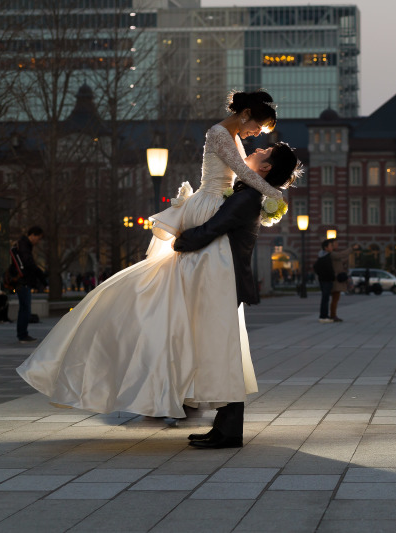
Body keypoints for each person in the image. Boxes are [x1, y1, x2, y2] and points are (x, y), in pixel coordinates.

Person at [17, 90, 288, 425]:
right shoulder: (219, 133)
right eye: (258, 127)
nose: (257, 134)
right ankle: (177, 387)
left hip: (212, 207)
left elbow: (242, 178)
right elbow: (244, 174)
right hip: (207, 208)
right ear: (245, 114)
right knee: (178, 299)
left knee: (182, 303)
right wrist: (275, 195)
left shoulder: (231, 136)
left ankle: (182, 387)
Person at [173, 142, 300, 448]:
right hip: (223, 280)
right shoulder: (247, 194)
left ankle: (229, 431)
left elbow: (214, 228)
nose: (257, 149)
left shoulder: (246, 197)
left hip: (223, 282)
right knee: (223, 352)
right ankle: (224, 426)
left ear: (265, 168)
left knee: (225, 354)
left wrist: (179, 240)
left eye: (264, 151)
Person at [14, 226, 45, 342]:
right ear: (33, 235)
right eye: (39, 238)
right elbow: (28, 263)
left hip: (23, 280)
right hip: (23, 281)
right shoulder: (24, 245)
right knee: (25, 308)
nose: (38, 241)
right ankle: (22, 334)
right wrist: (40, 274)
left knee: (24, 308)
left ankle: (22, 333)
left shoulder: (23, 244)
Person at [327, 239, 355, 322]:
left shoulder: (333, 254)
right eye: (336, 243)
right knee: (335, 299)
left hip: (337, 279)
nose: (337, 245)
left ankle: (333, 314)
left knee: (336, 298)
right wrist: (351, 249)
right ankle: (333, 315)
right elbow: (341, 255)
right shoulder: (332, 254)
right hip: (336, 280)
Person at [314, 239, 335, 323]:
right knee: (325, 298)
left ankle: (324, 315)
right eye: (331, 246)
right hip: (326, 280)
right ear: (326, 248)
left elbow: (316, 267)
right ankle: (323, 316)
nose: (332, 247)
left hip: (324, 279)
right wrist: (331, 276)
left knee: (325, 298)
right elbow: (318, 267)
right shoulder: (325, 257)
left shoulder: (322, 256)